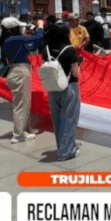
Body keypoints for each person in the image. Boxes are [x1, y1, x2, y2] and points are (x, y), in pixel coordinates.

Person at [0, 17, 44, 143]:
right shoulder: (14, 39)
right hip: (19, 72)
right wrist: (40, 26)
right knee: (21, 105)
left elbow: (34, 45)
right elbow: (38, 39)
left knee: (23, 103)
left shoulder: (8, 40)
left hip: (16, 72)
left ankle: (25, 129)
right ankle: (18, 135)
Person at [42, 23, 82, 161]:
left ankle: (62, 147)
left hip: (52, 88)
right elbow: (75, 72)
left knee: (57, 120)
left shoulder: (46, 49)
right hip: (68, 87)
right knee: (69, 120)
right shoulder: (69, 50)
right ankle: (66, 152)